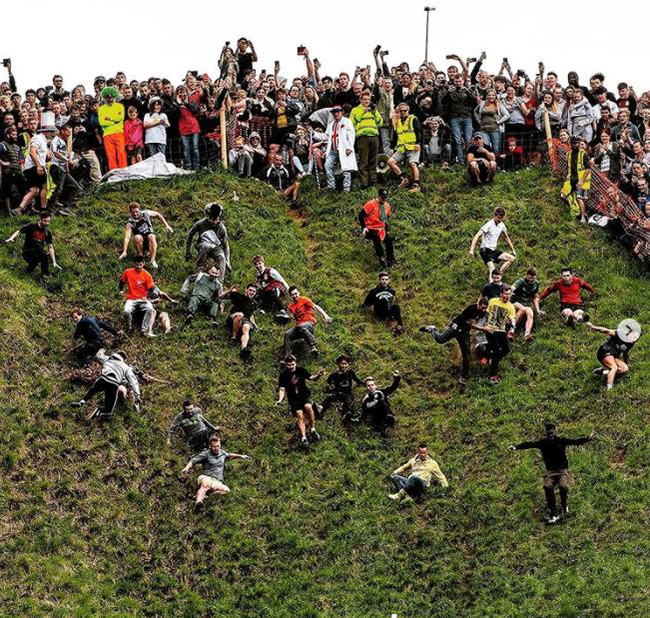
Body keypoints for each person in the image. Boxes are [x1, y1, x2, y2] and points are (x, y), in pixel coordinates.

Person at [508, 423, 596, 524]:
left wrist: (588, 438)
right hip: (550, 473)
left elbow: (575, 441)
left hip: (562, 471)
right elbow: (529, 444)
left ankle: (564, 505)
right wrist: (516, 447)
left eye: (552, 433)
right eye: (549, 434)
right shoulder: (543, 443)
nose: (551, 436)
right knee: (547, 487)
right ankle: (553, 511)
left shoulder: (561, 441)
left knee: (563, 486)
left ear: (555, 432)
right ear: (546, 434)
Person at [420, 297, 489, 385]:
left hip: (464, 332)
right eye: (482, 307)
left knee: (467, 354)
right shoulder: (472, 308)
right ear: (478, 304)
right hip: (455, 327)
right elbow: (473, 325)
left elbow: (481, 321)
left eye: (485, 308)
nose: (483, 309)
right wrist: (484, 329)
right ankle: (432, 329)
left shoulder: (483, 312)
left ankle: (464, 377)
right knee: (440, 339)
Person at [181, 436, 252, 510]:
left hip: (217, 481)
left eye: (218, 446)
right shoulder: (206, 454)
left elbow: (229, 455)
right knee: (205, 484)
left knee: (226, 490)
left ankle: (206, 496)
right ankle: (198, 503)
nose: (216, 448)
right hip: (206, 477)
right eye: (214, 446)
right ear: (210, 446)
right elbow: (193, 461)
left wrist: (241, 456)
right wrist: (187, 467)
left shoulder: (222, 453)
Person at [71, 349, 141, 421]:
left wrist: (102, 349)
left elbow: (98, 355)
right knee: (108, 412)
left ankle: (82, 401)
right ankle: (100, 413)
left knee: (93, 390)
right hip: (114, 384)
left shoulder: (108, 359)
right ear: (124, 359)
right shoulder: (126, 367)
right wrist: (137, 395)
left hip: (102, 379)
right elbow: (134, 381)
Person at [12, 112, 57, 215]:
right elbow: (32, 152)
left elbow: (43, 155)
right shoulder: (38, 138)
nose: (52, 134)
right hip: (34, 167)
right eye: (51, 132)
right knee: (46, 187)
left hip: (31, 167)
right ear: (47, 131)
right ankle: (44, 210)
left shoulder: (44, 141)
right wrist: (38, 166)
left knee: (34, 190)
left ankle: (18, 209)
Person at [276, 355, 324, 448]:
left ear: (296, 363)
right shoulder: (283, 375)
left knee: (308, 407)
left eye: (292, 365)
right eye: (289, 365)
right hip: (293, 398)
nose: (291, 367)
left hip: (304, 395)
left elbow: (311, 378)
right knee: (299, 415)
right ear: (286, 364)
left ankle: (313, 429)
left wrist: (318, 375)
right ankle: (303, 438)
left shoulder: (301, 370)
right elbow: (282, 389)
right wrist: (280, 400)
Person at [588, 319, 641, 391]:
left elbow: (625, 354)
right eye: (634, 336)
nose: (634, 339)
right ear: (630, 332)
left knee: (625, 369)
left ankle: (604, 371)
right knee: (614, 367)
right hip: (605, 351)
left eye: (636, 338)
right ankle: (609, 389)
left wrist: (626, 364)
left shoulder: (630, 344)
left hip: (614, 355)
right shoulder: (620, 333)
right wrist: (594, 327)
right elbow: (606, 330)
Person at [4, 211, 61, 277]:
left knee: (43, 256)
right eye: (45, 221)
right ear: (40, 219)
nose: (47, 223)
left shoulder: (48, 232)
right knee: (38, 257)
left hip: (39, 252)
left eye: (48, 221)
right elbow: (19, 231)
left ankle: (42, 275)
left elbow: (50, 247)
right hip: (28, 252)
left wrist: (54, 262)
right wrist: (11, 238)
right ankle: (27, 273)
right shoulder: (32, 226)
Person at [119, 202, 174, 269]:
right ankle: (141, 258)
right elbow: (127, 237)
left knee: (151, 236)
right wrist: (125, 251)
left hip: (150, 240)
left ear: (139, 210)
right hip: (140, 243)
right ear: (130, 212)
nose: (135, 214)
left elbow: (157, 214)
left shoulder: (146, 213)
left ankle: (152, 260)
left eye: (136, 211)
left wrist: (167, 225)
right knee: (137, 237)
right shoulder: (130, 223)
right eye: (133, 212)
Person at [285, 286, 333, 357]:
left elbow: (316, 307)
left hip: (309, 323)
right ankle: (287, 356)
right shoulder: (291, 306)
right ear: (290, 296)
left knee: (301, 326)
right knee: (287, 334)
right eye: (292, 295)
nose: (295, 296)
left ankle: (313, 345)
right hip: (300, 327)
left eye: (296, 293)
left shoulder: (304, 300)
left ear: (299, 293)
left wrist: (325, 316)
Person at [185, 202, 231, 278]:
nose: (214, 222)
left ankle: (219, 280)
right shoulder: (200, 224)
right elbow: (190, 235)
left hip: (216, 247)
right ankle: (201, 272)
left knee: (221, 257)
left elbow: (226, 245)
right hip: (203, 245)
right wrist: (188, 252)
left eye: (216, 220)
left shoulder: (221, 227)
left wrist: (227, 261)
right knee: (206, 246)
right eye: (212, 219)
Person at [469, 207, 516, 277]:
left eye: (501, 218)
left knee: (511, 258)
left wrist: (512, 249)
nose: (499, 220)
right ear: (494, 215)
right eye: (498, 218)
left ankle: (498, 275)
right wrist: (471, 250)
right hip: (485, 250)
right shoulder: (488, 225)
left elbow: (506, 237)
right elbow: (477, 236)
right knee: (492, 269)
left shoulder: (502, 225)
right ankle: (492, 286)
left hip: (493, 250)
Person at [350, 90, 383, 188]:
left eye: (368, 99)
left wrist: (374, 112)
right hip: (362, 137)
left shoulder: (373, 110)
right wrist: (363, 112)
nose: (366, 101)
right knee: (363, 161)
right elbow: (352, 122)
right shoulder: (355, 110)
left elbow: (380, 123)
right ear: (360, 100)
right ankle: (364, 183)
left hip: (374, 136)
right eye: (364, 99)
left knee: (373, 160)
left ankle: (373, 181)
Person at [386, 103, 422, 191]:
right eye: (400, 111)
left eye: (404, 110)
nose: (402, 112)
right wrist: (392, 147)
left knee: (413, 164)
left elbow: (418, 132)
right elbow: (395, 136)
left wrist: (418, 143)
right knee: (390, 162)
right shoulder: (397, 122)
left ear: (408, 111)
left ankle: (416, 184)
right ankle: (403, 179)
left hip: (413, 147)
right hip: (402, 148)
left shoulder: (413, 119)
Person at [484, 286, 516, 385]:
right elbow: (486, 313)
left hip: (501, 330)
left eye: (509, 294)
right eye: (506, 294)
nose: (507, 296)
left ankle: (490, 357)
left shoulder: (511, 307)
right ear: (501, 294)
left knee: (506, 350)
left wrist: (511, 323)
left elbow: (512, 319)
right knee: (497, 351)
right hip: (490, 329)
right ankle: (492, 376)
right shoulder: (493, 301)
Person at [118, 255, 156, 337]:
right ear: (134, 264)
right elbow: (122, 281)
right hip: (131, 298)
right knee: (126, 311)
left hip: (142, 299)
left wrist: (147, 297)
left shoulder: (147, 275)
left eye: (140, 264)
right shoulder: (128, 272)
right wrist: (121, 290)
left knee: (150, 309)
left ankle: (145, 330)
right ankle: (129, 327)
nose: (138, 267)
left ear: (143, 264)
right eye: (137, 265)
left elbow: (152, 288)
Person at [320, 355, 364, 422]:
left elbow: (357, 381)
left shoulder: (350, 373)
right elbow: (328, 383)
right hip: (337, 393)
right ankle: (321, 410)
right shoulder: (334, 375)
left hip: (347, 393)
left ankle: (346, 415)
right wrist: (329, 388)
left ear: (348, 364)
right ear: (338, 364)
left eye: (345, 364)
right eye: (342, 364)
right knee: (329, 398)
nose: (344, 366)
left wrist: (365, 383)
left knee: (348, 400)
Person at [359, 188, 394, 269]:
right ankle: (381, 257)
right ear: (379, 196)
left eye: (385, 197)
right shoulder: (371, 204)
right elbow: (361, 215)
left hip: (381, 228)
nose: (384, 199)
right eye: (382, 197)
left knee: (388, 240)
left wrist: (386, 230)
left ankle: (390, 259)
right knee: (376, 238)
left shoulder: (387, 206)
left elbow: (386, 219)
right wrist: (364, 227)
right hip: (370, 228)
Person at [222, 283, 259, 360]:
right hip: (235, 317)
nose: (251, 292)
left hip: (245, 319)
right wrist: (231, 289)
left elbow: (251, 315)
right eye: (250, 290)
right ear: (246, 290)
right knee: (240, 315)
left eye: (254, 292)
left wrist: (255, 325)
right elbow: (221, 296)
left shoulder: (253, 303)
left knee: (246, 327)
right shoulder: (238, 296)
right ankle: (233, 337)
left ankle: (244, 348)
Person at [324, 106, 357, 192]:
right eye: (334, 112)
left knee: (346, 168)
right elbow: (326, 137)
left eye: (338, 112)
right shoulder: (331, 125)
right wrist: (313, 134)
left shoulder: (347, 122)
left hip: (344, 149)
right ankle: (331, 186)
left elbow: (351, 135)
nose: (336, 114)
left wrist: (349, 147)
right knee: (327, 165)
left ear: (341, 112)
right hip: (333, 150)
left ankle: (346, 189)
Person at [561, 138, 591, 223]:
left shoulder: (583, 154)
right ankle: (576, 212)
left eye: (575, 144)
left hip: (581, 180)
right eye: (572, 144)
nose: (573, 145)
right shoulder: (568, 154)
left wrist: (581, 181)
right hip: (571, 179)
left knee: (580, 198)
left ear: (578, 144)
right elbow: (569, 167)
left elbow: (588, 169)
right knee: (563, 195)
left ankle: (583, 218)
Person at [361, 370, 401, 434]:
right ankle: (381, 430)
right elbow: (364, 411)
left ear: (375, 385)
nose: (370, 387)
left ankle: (388, 422)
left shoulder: (381, 392)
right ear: (366, 387)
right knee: (378, 430)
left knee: (380, 402)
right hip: (376, 417)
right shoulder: (366, 399)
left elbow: (392, 388)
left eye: (372, 385)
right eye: (368, 385)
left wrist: (397, 378)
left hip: (386, 414)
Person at [252, 255, 289, 320]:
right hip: (267, 291)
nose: (258, 266)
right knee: (260, 295)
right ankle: (263, 309)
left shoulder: (270, 271)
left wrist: (289, 290)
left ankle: (282, 310)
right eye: (256, 264)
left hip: (276, 289)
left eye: (260, 263)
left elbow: (282, 280)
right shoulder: (259, 275)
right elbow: (262, 286)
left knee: (271, 292)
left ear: (263, 263)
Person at [511, 268, 544, 342]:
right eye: (529, 278)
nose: (530, 280)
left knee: (530, 311)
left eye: (532, 278)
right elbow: (513, 287)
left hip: (526, 303)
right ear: (526, 275)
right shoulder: (521, 281)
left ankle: (527, 334)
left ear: (535, 277)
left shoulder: (536, 283)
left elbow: (535, 297)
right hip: (517, 302)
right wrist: (511, 291)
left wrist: (538, 309)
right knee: (522, 308)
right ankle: (511, 330)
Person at [98, 87, 127, 170]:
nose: (110, 99)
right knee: (111, 155)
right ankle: (114, 173)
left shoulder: (120, 106)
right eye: (108, 97)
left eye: (111, 97)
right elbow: (102, 122)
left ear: (114, 97)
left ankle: (123, 172)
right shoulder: (101, 108)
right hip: (107, 135)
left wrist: (109, 118)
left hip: (119, 133)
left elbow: (120, 118)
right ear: (105, 98)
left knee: (121, 153)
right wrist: (114, 121)